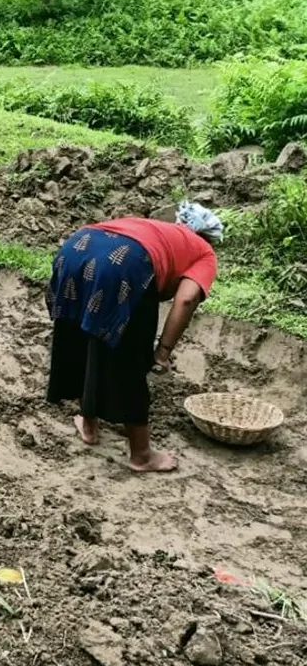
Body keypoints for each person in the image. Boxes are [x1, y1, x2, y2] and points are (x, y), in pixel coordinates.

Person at [46, 202, 223, 473]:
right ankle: (141, 454)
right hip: (125, 266)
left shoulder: (154, 228)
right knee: (128, 357)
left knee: (82, 336)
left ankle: (89, 424)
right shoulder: (204, 252)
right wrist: (162, 352)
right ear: (208, 238)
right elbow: (186, 300)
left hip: (75, 248)